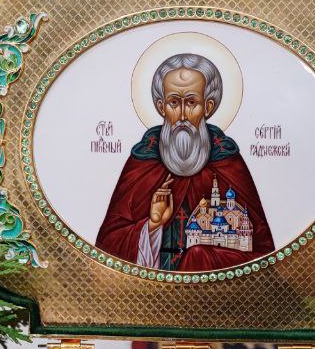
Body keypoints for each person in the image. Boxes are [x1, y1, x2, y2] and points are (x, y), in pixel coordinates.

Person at [95, 53, 273, 271]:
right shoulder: (144, 159)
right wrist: (153, 224)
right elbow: (107, 250)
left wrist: (201, 257)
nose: (181, 115)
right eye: (173, 102)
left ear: (208, 107)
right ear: (161, 107)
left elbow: (262, 255)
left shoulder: (226, 160)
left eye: (191, 102)